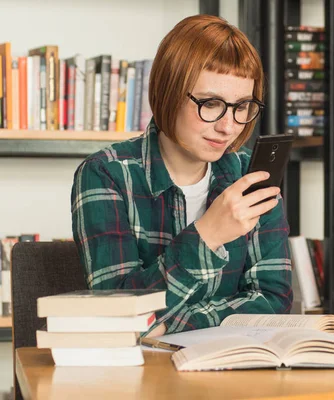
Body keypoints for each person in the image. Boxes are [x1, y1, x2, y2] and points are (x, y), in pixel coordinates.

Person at [70, 14, 293, 337]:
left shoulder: (250, 175)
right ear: (169, 92)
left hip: (233, 374)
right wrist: (207, 236)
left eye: (242, 106)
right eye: (211, 103)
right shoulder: (106, 174)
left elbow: (273, 302)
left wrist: (170, 324)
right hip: (138, 380)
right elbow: (116, 314)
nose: (228, 126)